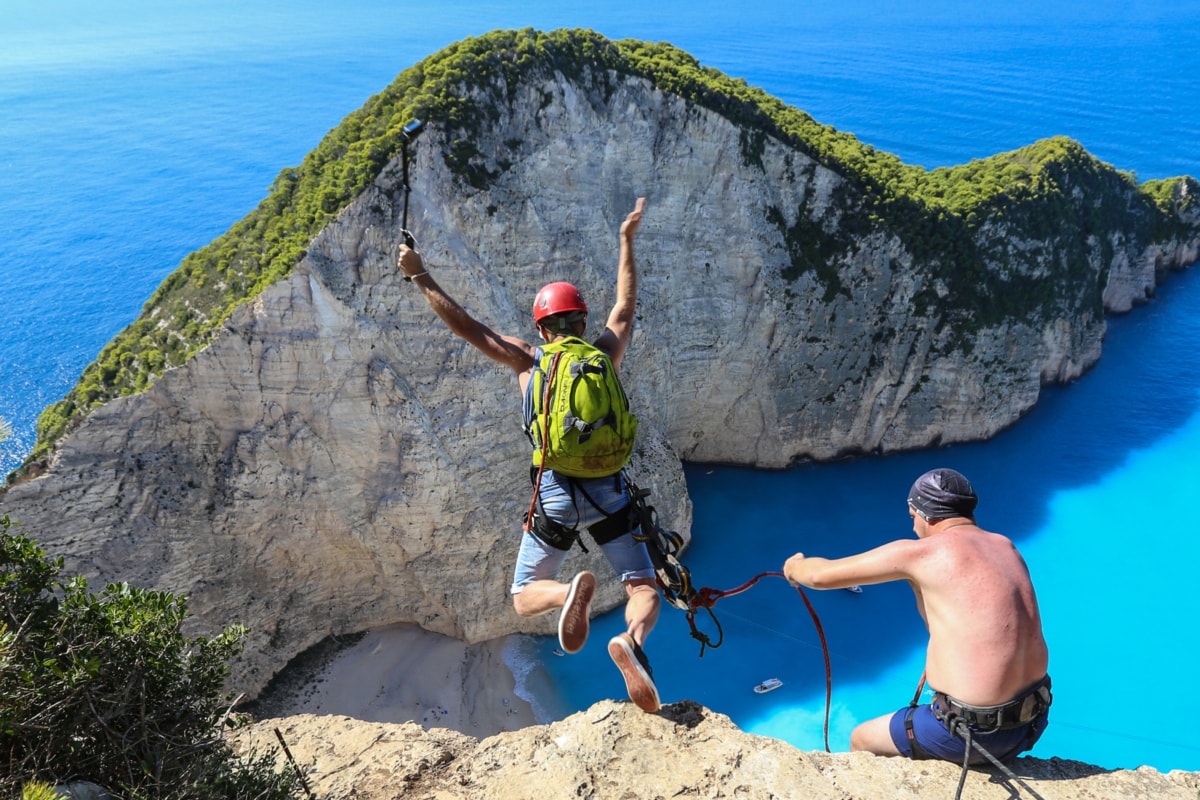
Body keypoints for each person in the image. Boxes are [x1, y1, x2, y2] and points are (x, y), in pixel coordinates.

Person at [396, 197, 661, 713]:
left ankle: (565, 596)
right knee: (643, 585)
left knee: (523, 595)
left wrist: (420, 275)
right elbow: (625, 310)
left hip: (555, 491)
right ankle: (632, 641)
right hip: (610, 487)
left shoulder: (527, 359)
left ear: (542, 329)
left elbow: (470, 328)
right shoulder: (604, 353)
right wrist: (627, 240)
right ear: (582, 323)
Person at [782, 468, 1051, 764]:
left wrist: (795, 566)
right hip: (1031, 724)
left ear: (926, 514)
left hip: (971, 735)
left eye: (912, 517)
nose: (912, 528)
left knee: (861, 738)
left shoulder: (922, 553)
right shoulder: (1006, 546)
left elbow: (820, 577)